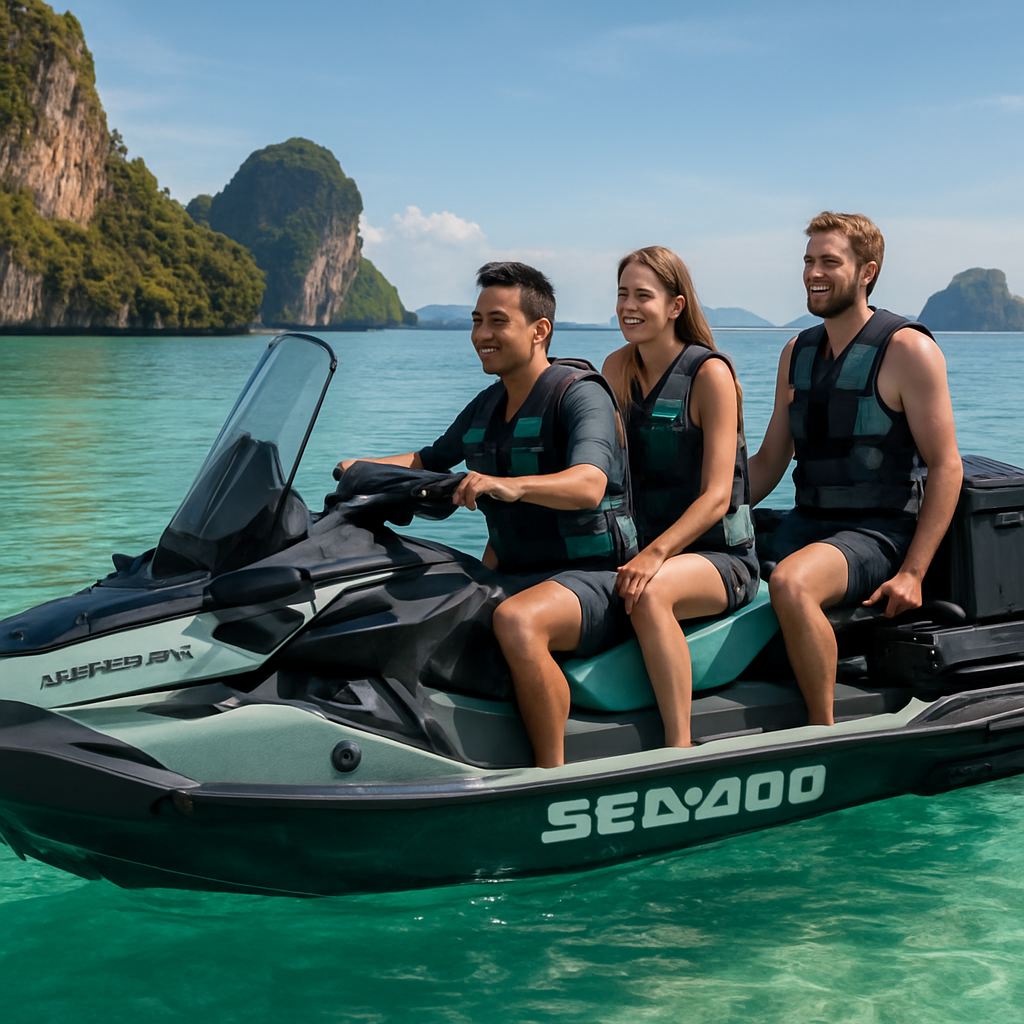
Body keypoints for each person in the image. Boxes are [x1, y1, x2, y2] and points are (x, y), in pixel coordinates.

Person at [338, 261, 637, 767]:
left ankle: (551, 775)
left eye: (497, 321)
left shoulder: (579, 395)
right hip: (517, 573)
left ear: (539, 330)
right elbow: (427, 461)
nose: (481, 334)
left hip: (597, 580)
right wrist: (357, 466)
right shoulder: (486, 406)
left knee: (519, 623)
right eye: (477, 321)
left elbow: (589, 484)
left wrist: (509, 485)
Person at [748, 212, 962, 726]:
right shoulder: (795, 353)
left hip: (877, 532)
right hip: (807, 521)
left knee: (793, 584)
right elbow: (770, 460)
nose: (813, 273)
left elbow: (946, 466)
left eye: (828, 261)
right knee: (704, 557)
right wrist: (701, 518)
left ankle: (823, 734)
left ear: (866, 272)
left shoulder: (908, 349)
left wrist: (913, 573)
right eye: (808, 261)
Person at [602, 246, 758, 748]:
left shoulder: (710, 375)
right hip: (642, 550)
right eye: (623, 293)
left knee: (648, 592)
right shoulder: (616, 367)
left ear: (675, 306)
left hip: (719, 558)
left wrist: (653, 555)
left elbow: (716, 497)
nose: (629, 305)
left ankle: (679, 744)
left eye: (642, 295)